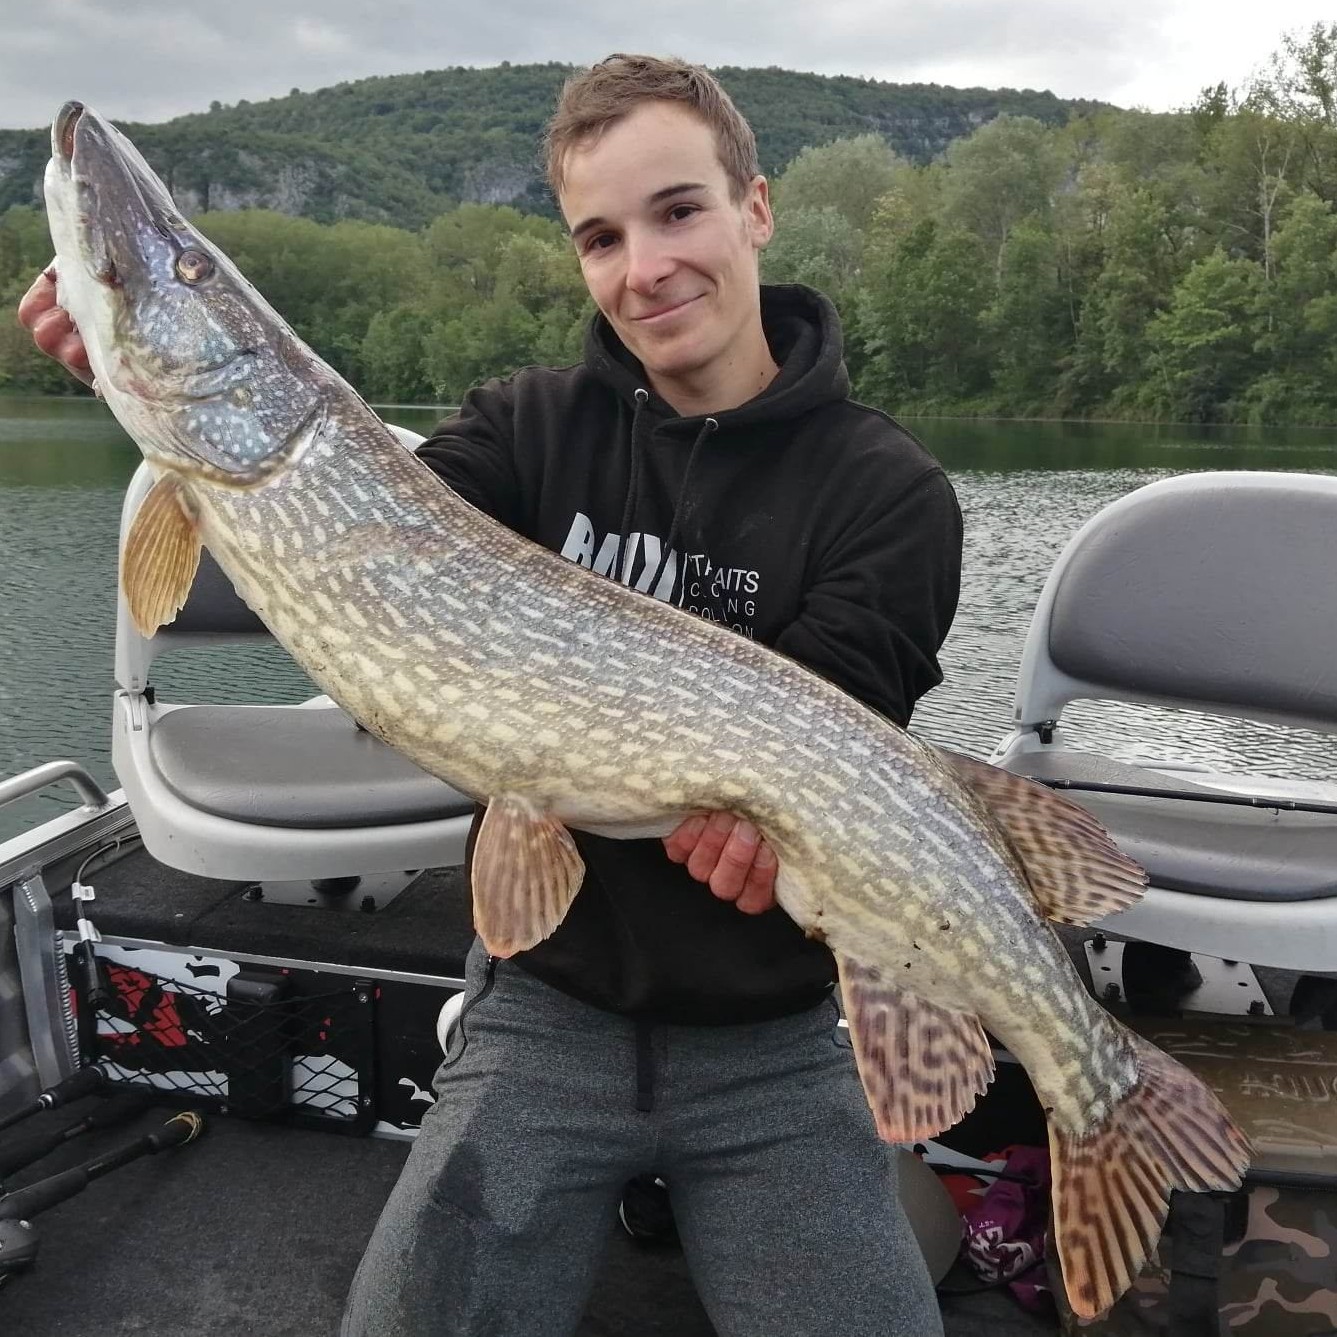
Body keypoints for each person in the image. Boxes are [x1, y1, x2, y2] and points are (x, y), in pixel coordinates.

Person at [20, 53, 962, 1337]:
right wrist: (139, 382)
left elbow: (833, 766)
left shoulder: (888, 493)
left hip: (777, 1037)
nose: (645, 266)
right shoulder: (524, 429)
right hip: (544, 1004)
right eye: (600, 235)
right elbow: (370, 538)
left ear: (755, 208)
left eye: (677, 210)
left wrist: (766, 843)